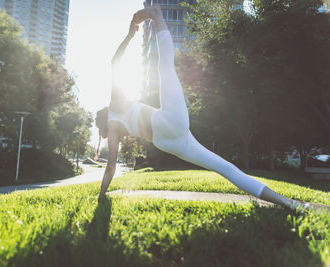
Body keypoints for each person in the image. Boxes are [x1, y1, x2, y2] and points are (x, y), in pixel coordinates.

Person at [95, 5, 311, 210]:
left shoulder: (113, 130)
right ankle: (157, 15)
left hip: (169, 143)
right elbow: (115, 62)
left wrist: (101, 195)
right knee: (165, 67)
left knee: (225, 168)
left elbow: (110, 167)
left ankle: (288, 203)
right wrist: (129, 36)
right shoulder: (115, 103)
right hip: (168, 122)